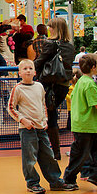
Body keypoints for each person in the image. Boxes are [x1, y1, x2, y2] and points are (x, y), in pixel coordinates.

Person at [7, 59, 75, 193]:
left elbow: (43, 104)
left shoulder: (39, 87)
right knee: (29, 157)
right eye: (25, 68)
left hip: (41, 128)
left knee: (48, 155)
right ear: (19, 73)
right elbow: (11, 108)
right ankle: (32, 183)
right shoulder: (18, 89)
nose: (28, 70)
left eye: (30, 68)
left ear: (35, 72)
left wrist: (45, 120)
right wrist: (23, 120)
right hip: (27, 130)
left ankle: (55, 181)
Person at [62, 54, 97, 191]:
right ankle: (69, 178)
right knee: (81, 153)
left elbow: (95, 102)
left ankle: (96, 175)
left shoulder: (81, 81)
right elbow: (96, 104)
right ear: (93, 67)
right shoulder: (89, 83)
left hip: (88, 125)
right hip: (86, 125)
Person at [34, 17, 75, 160]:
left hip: (49, 84)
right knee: (52, 114)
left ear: (55, 28)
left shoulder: (50, 43)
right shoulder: (70, 46)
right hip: (63, 85)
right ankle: (54, 150)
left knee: (49, 116)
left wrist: (29, 67)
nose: (48, 29)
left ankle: (52, 150)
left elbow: (41, 60)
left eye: (50, 26)